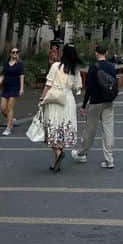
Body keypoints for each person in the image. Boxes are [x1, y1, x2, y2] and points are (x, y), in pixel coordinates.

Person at [72, 43, 117, 168]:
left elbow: (89, 88)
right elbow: (114, 84)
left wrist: (83, 105)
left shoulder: (93, 67)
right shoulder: (111, 66)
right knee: (108, 130)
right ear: (106, 53)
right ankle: (109, 159)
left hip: (95, 101)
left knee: (90, 130)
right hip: (108, 101)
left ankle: (81, 153)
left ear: (96, 53)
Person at [39, 43, 82, 172]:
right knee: (63, 129)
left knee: (52, 128)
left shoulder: (56, 66)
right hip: (68, 100)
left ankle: (58, 153)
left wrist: (42, 99)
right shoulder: (75, 69)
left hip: (55, 99)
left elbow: (48, 85)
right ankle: (57, 160)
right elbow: (77, 88)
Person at [0, 47, 24, 135]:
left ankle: (8, 127)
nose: (15, 53)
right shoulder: (6, 64)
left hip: (15, 87)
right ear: (10, 54)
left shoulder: (20, 64)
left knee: (10, 107)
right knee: (3, 109)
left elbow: (21, 76)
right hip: (6, 87)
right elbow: (2, 75)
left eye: (17, 52)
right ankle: (10, 119)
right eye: (13, 52)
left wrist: (21, 88)